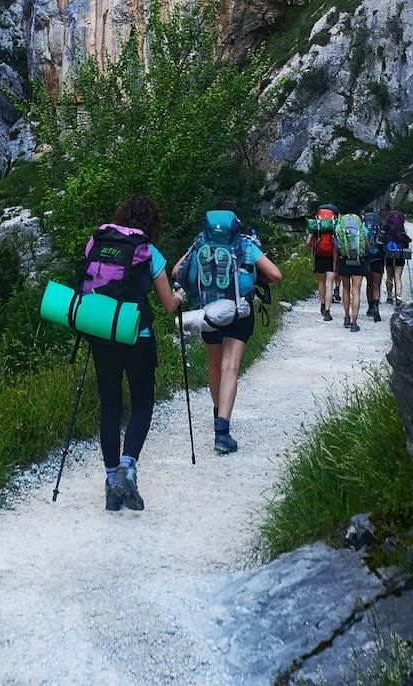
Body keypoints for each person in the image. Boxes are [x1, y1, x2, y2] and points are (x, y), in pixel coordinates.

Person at [84, 195, 182, 513]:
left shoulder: (96, 242)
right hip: (137, 336)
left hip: (101, 333)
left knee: (110, 407)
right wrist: (180, 294)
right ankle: (128, 467)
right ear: (152, 225)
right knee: (141, 405)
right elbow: (168, 305)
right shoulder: (149, 252)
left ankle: (111, 483)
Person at [174, 201, 282, 455]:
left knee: (214, 364)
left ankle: (217, 414)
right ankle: (223, 431)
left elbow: (176, 270)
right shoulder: (244, 244)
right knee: (230, 366)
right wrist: (255, 274)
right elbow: (276, 275)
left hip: (208, 312)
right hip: (238, 311)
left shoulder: (201, 242)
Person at [333, 212, 369, 332]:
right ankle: (354, 322)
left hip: (344, 261)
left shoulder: (340, 226)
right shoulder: (361, 226)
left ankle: (346, 317)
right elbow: (368, 246)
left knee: (346, 289)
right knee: (356, 291)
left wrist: (335, 263)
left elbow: (336, 246)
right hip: (358, 261)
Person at [304, 204, 338, 321]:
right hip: (332, 258)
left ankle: (322, 305)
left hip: (319, 256)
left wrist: (314, 244)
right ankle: (328, 312)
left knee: (321, 282)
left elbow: (308, 243)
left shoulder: (316, 226)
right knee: (329, 284)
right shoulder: (334, 226)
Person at [383, 208, 413, 306]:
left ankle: (389, 296)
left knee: (389, 275)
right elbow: (408, 241)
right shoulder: (402, 229)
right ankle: (398, 296)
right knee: (398, 276)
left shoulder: (387, 228)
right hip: (400, 252)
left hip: (389, 252)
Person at [363, 211, 385, 322]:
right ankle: (376, 307)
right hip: (379, 258)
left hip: (367, 258)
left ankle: (370, 307)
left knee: (369, 284)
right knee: (377, 285)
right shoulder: (382, 229)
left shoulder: (364, 228)